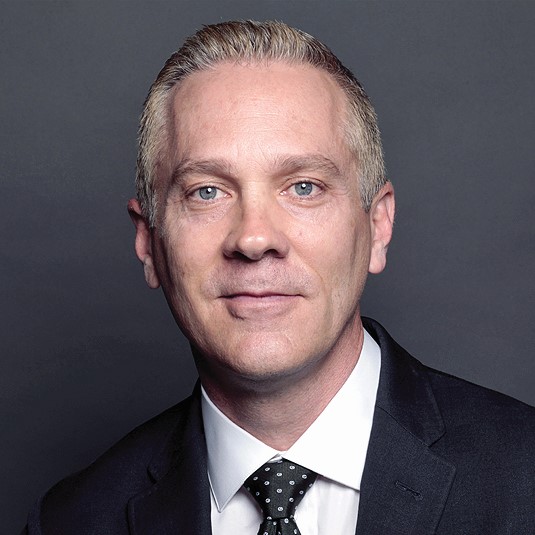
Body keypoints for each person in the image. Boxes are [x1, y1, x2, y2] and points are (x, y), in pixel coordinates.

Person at [23, 20, 534, 535]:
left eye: (304, 187)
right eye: (206, 191)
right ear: (149, 242)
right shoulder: (70, 522)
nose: (254, 238)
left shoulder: (523, 476)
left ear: (378, 226)